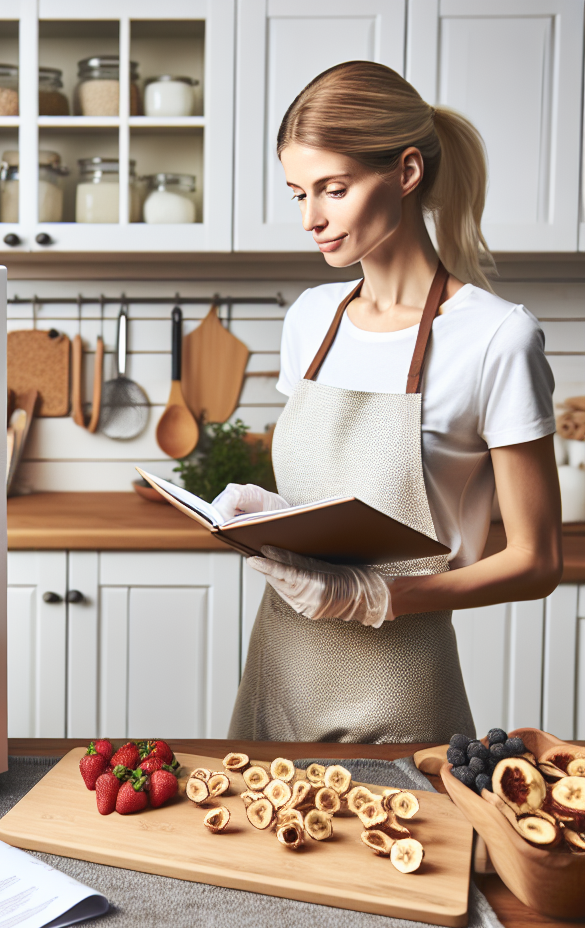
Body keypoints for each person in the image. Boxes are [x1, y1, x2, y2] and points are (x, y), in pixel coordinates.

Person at [220, 61, 561, 744]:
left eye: (333, 189)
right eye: (298, 194)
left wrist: (380, 598)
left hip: (401, 693)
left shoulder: (496, 337)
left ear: (406, 173)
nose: (312, 218)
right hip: (278, 675)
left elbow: (537, 559)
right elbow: (337, 499)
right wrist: (277, 515)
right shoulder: (311, 318)